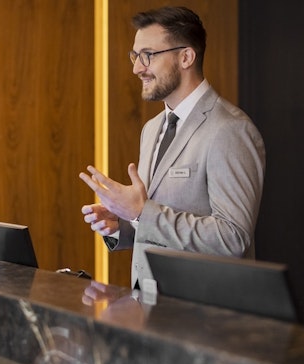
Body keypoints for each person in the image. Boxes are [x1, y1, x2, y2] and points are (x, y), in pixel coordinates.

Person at [79, 6, 265, 289]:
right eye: (135, 56)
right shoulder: (152, 128)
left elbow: (233, 238)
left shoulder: (230, 130)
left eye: (148, 56)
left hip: (204, 318)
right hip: (151, 305)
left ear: (186, 57)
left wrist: (142, 212)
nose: (137, 68)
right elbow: (157, 223)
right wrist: (124, 224)